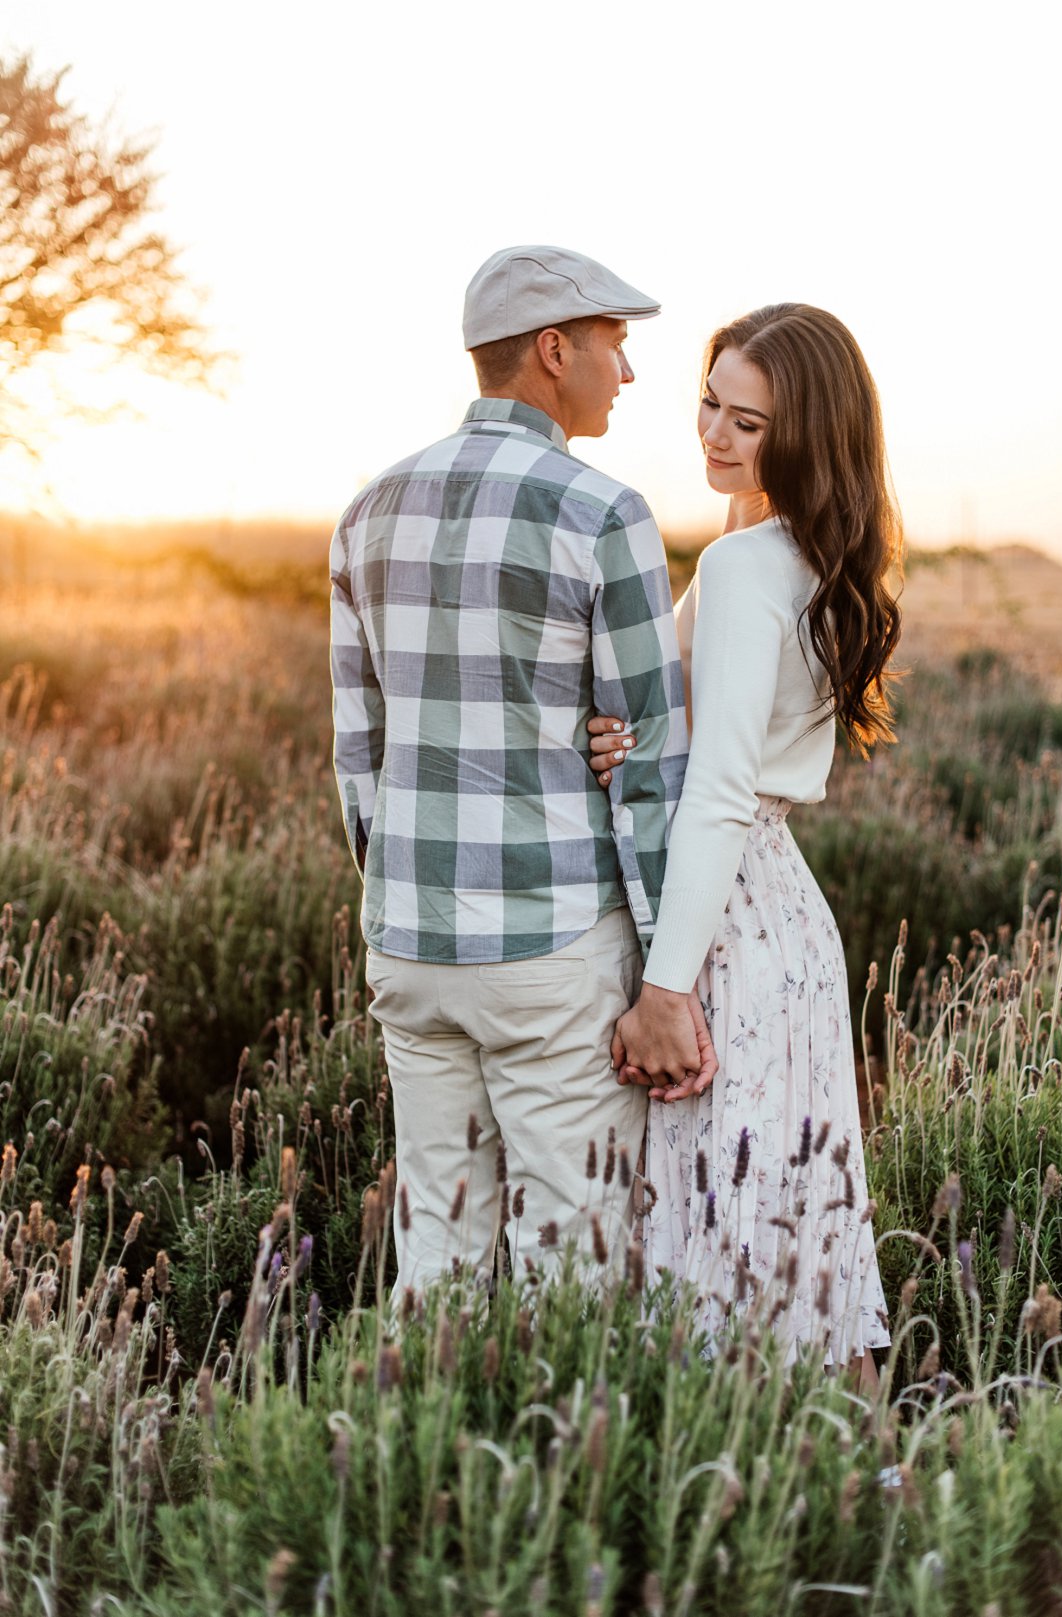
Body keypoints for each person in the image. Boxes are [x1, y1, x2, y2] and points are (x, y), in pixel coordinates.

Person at [330, 245, 713, 1298]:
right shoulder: (603, 513)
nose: (626, 374)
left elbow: (356, 756)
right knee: (574, 1270)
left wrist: (395, 891)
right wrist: (662, 974)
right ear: (554, 351)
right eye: (614, 346)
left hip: (406, 942)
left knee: (437, 1257)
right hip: (550, 947)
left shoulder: (366, 512)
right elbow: (651, 770)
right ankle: (561, 1465)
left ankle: (424, 1461)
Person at [588, 304, 900, 1379]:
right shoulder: (803, 553)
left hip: (721, 922)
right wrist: (622, 736)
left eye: (749, 423)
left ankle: (761, 1504)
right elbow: (662, 708)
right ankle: (869, 1488)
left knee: (725, 1231)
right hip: (786, 924)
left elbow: (718, 787)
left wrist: (667, 988)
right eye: (709, 405)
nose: (715, 436)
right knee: (806, 1231)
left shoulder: (746, 567)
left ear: (808, 433)